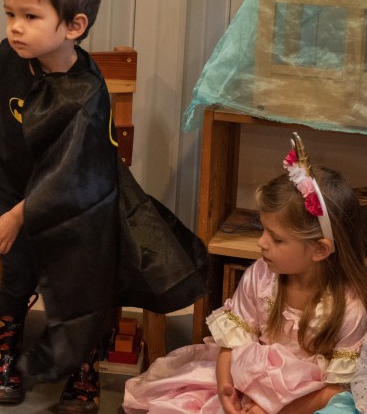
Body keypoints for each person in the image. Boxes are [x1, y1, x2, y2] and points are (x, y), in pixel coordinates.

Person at [0, 0, 207, 410]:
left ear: (74, 26)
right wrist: (14, 212)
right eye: (10, 14)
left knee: (83, 274)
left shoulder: (85, 94)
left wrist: (19, 216)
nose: (15, 27)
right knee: (17, 268)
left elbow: (68, 175)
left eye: (30, 16)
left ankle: (84, 365)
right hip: (13, 180)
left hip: (79, 193)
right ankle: (6, 354)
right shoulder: (11, 54)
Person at [124, 135, 367, 414]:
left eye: (276, 238)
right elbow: (231, 344)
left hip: (303, 404)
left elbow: (336, 390)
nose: (261, 243)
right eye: (262, 229)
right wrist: (226, 389)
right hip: (245, 384)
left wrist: (272, 410)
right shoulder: (262, 277)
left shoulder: (349, 308)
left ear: (319, 250)